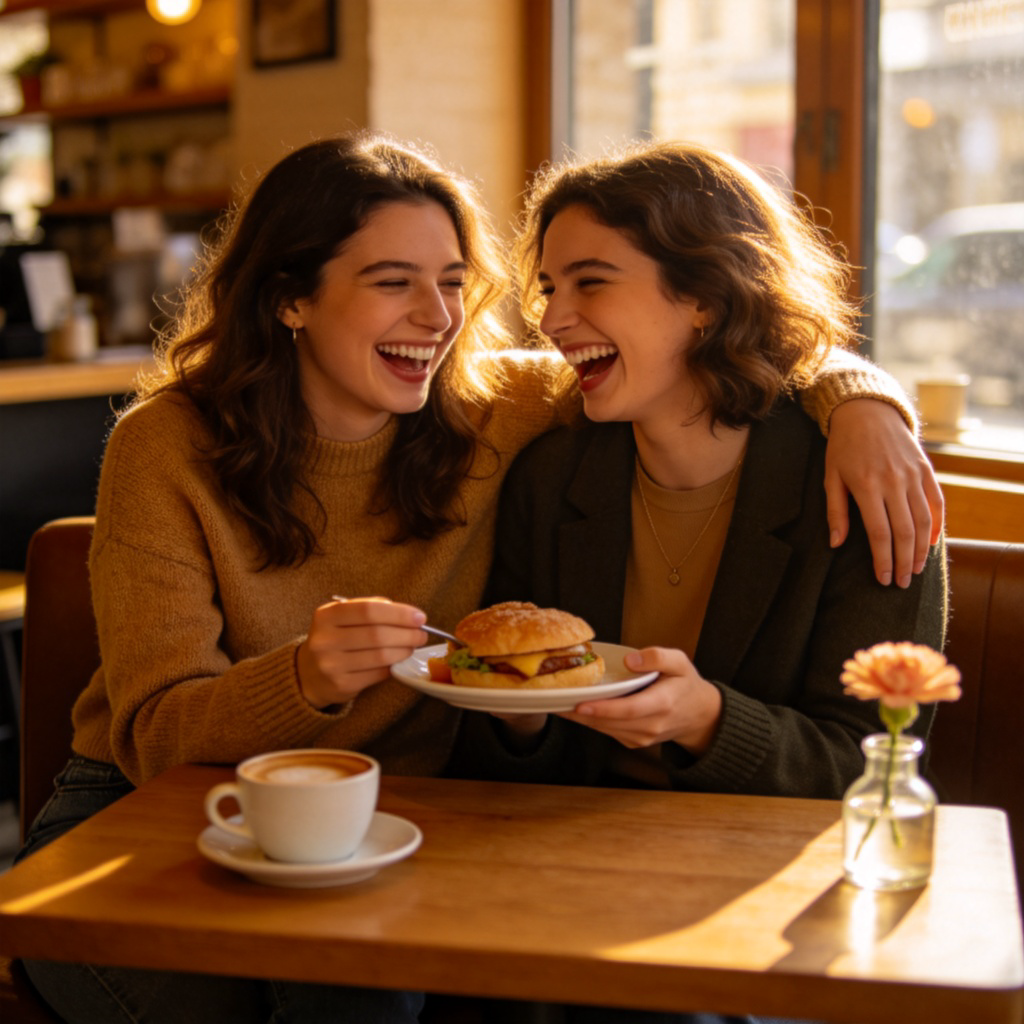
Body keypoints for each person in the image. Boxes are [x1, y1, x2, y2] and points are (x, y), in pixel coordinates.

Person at [17, 131, 935, 1024]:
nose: (440, 317)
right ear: (290, 297)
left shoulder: (491, 409)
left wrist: (864, 401)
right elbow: (151, 736)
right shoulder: (167, 445)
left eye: (453, 282)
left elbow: (723, 336)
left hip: (397, 824)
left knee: (356, 990)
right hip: (160, 811)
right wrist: (299, 679)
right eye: (393, 283)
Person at [452, 144, 947, 1024]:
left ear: (707, 300)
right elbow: (506, 770)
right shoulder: (552, 476)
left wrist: (710, 723)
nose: (555, 318)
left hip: (773, 900)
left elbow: (868, 764)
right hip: (567, 876)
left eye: (591, 282)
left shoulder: (856, 485)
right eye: (549, 287)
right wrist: (519, 716)